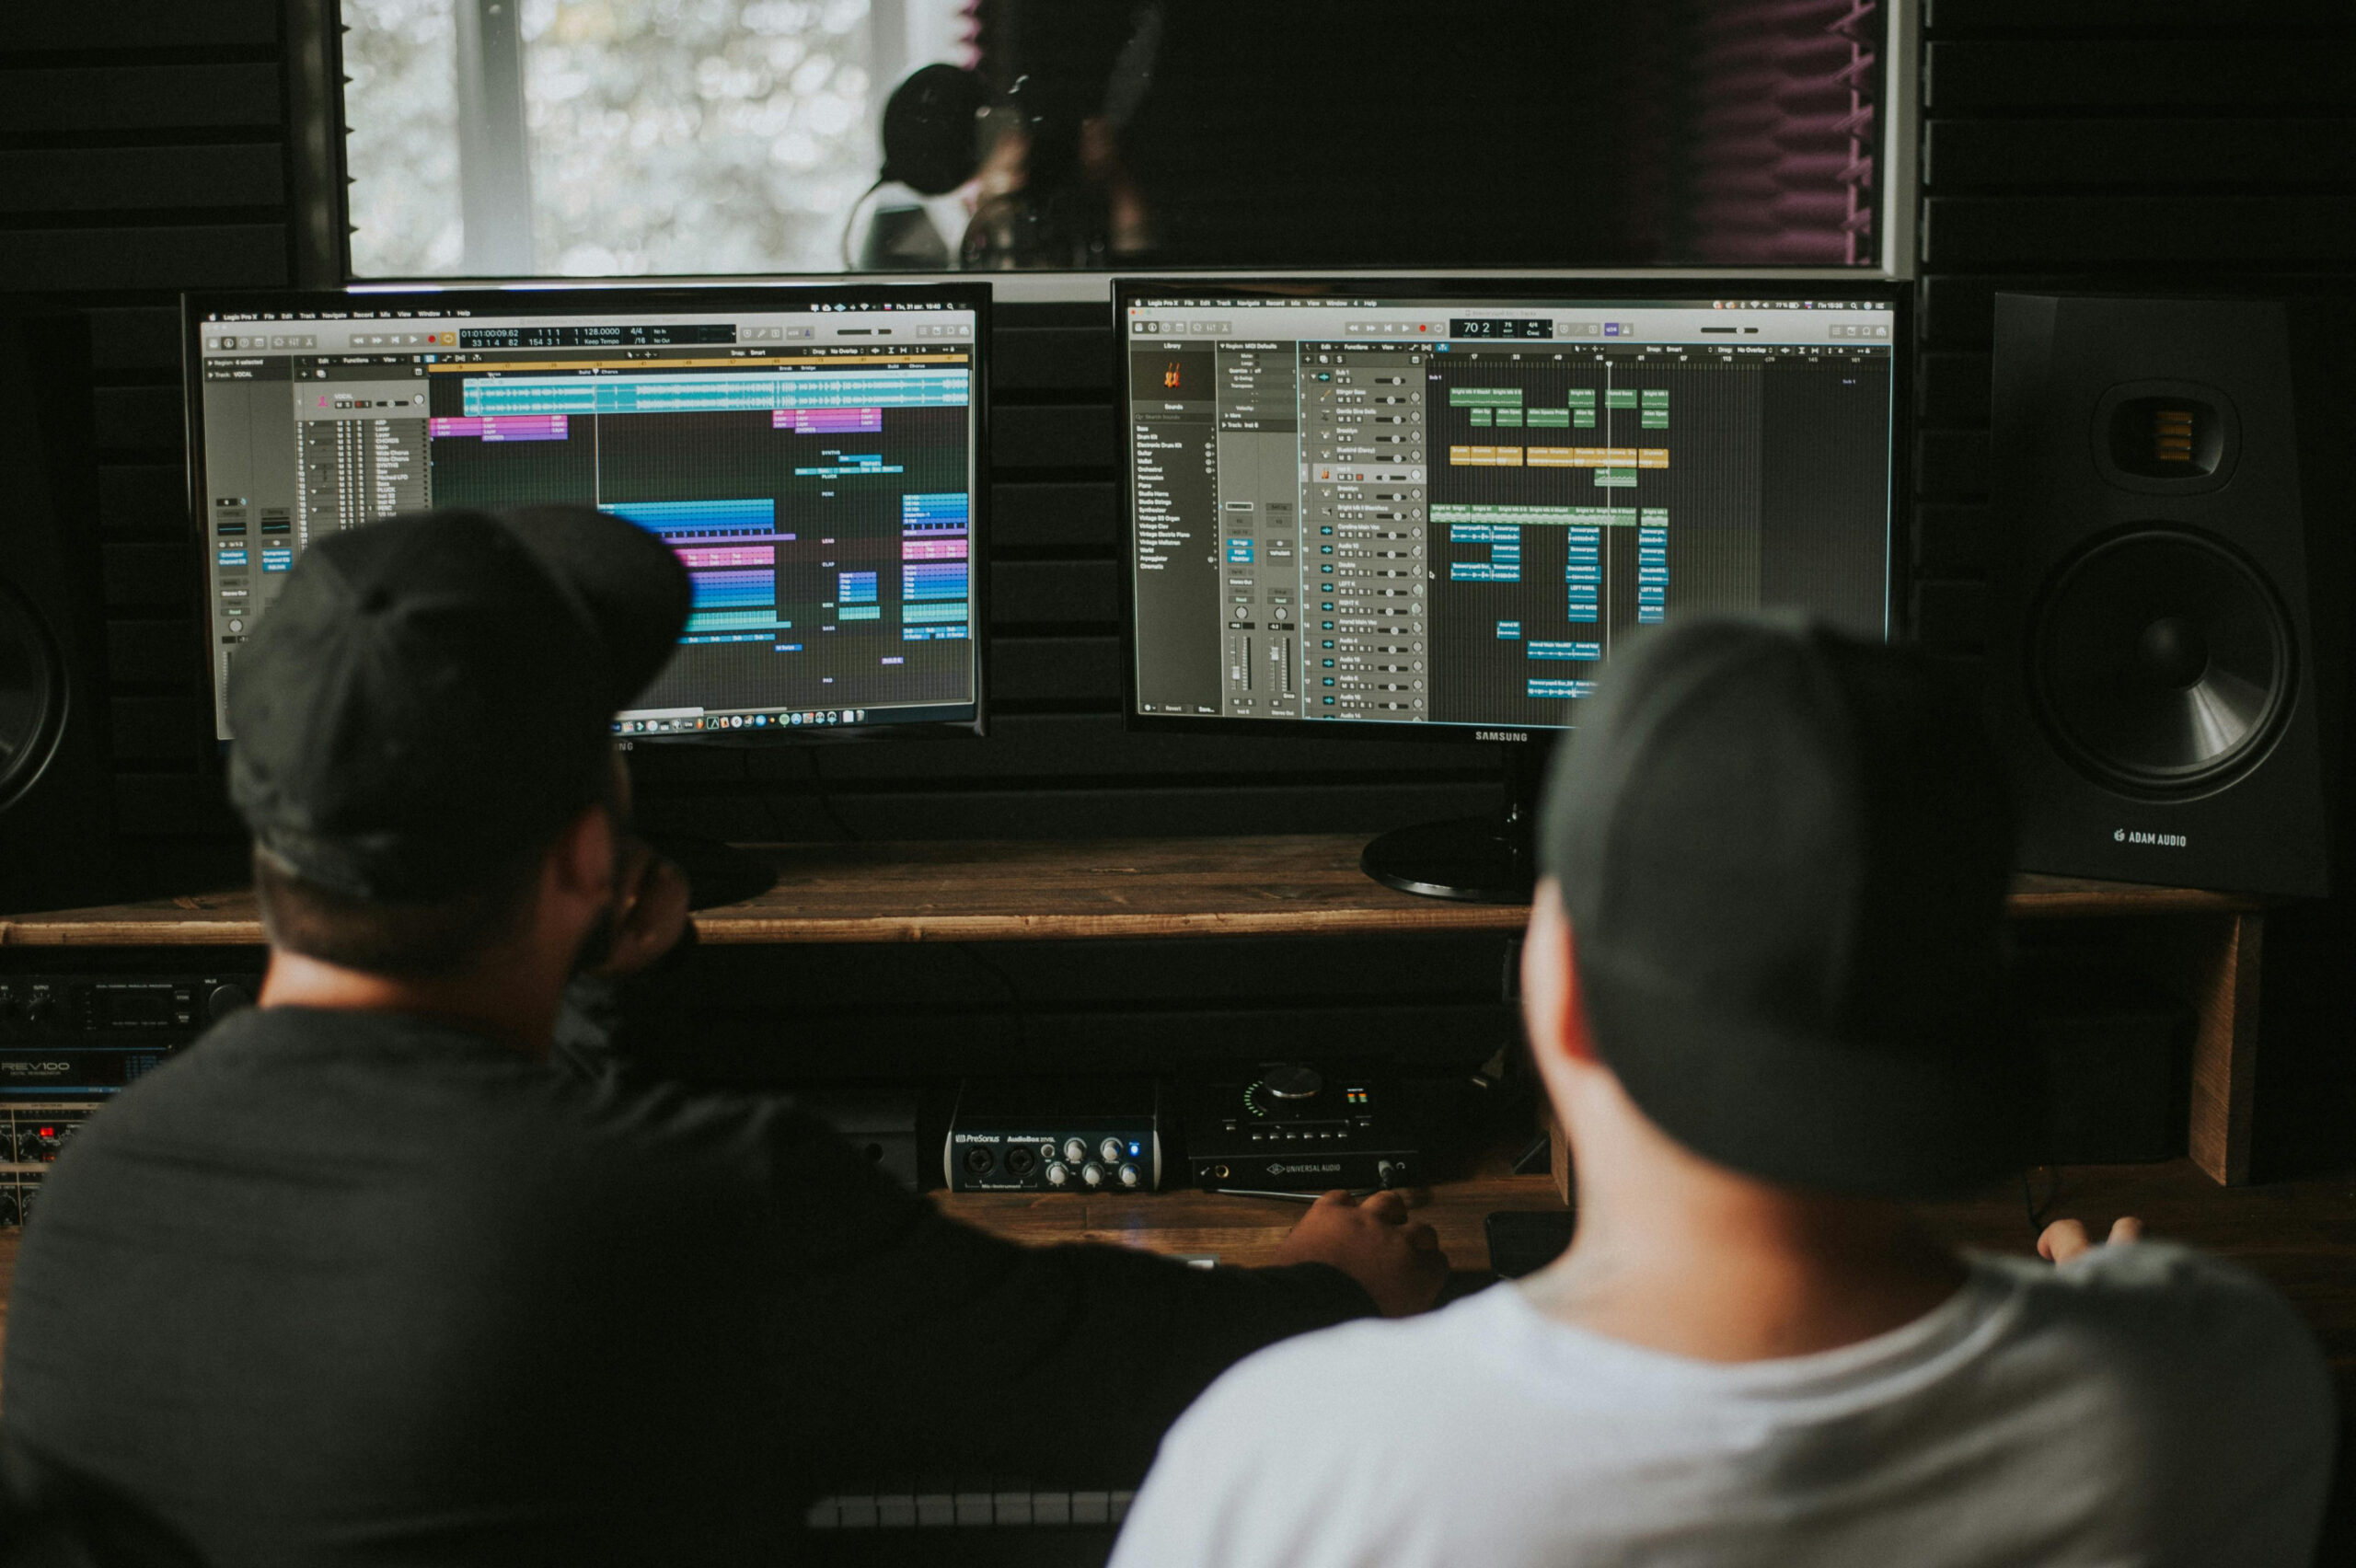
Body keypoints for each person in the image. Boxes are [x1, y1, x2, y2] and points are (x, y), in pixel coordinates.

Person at [0, 506, 1447, 1566]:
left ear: (270, 857)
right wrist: (1335, 1279)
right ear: (587, 864)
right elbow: (1140, 1378)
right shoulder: (709, 1208)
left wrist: (604, 983)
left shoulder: (97, 1194)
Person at [1113, 615, 2336, 1568]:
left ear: (1565, 1001)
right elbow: (2169, 1335)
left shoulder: (1295, 1458)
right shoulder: (2214, 1378)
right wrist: (2102, 1302)